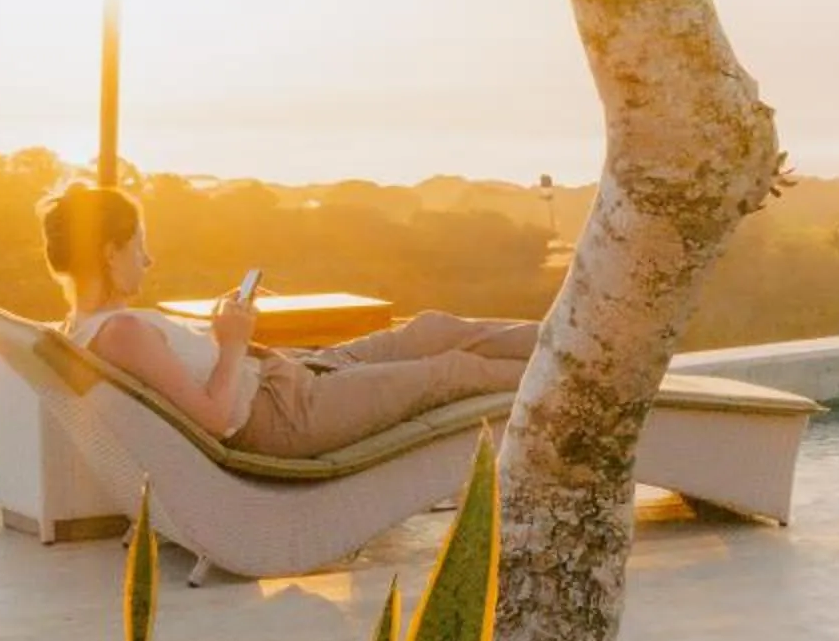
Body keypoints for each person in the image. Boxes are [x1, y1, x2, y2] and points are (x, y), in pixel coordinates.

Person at [38, 182, 539, 459]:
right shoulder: (119, 333)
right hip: (286, 414)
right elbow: (214, 419)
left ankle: (585, 342)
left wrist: (221, 330)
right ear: (109, 253)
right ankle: (589, 375)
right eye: (139, 247)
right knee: (452, 371)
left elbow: (191, 373)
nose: (148, 261)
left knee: (432, 328)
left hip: (289, 375)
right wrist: (233, 342)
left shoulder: (91, 325)